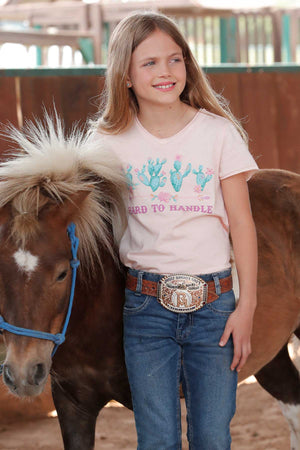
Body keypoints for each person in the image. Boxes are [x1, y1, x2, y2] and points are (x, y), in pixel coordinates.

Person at [92, 10, 258, 450]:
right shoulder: (106, 143)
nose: (165, 72)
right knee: (157, 439)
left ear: (187, 64)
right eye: (149, 63)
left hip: (215, 309)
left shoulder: (219, 134)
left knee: (211, 437)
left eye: (175, 59)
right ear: (125, 75)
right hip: (145, 311)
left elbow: (242, 225)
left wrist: (246, 308)